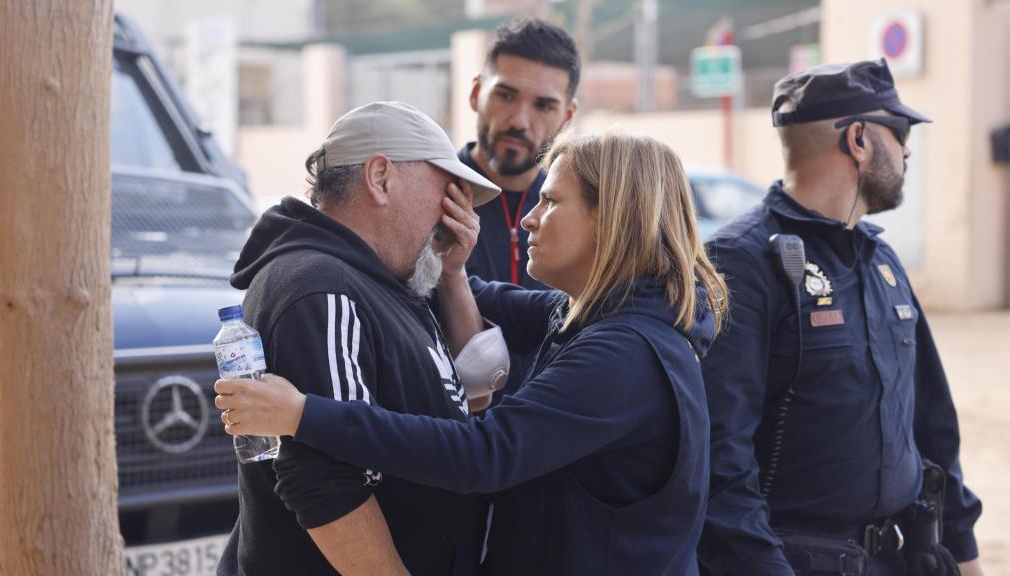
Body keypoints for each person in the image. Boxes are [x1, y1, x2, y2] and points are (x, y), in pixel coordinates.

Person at [215, 132, 729, 575]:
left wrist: (302, 413)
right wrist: (443, 265)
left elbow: (483, 455)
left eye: (550, 202)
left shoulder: (625, 354)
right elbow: (449, 287)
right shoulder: (598, 315)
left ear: (612, 218)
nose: (528, 219)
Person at [697, 59, 984, 576]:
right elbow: (719, 454)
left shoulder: (881, 261)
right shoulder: (741, 261)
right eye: (899, 133)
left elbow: (930, 424)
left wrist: (961, 550)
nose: (908, 150)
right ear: (859, 140)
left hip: (895, 557)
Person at [217, 101, 502, 576]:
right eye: (446, 191)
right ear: (381, 178)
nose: (457, 213)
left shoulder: (385, 280)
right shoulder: (322, 286)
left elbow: (471, 394)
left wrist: (452, 273)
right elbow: (327, 482)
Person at [456, 18, 580, 399]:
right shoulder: (422, 204)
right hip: (448, 442)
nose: (520, 120)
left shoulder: (587, 216)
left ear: (568, 117)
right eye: (505, 96)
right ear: (477, 93)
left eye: (544, 105)